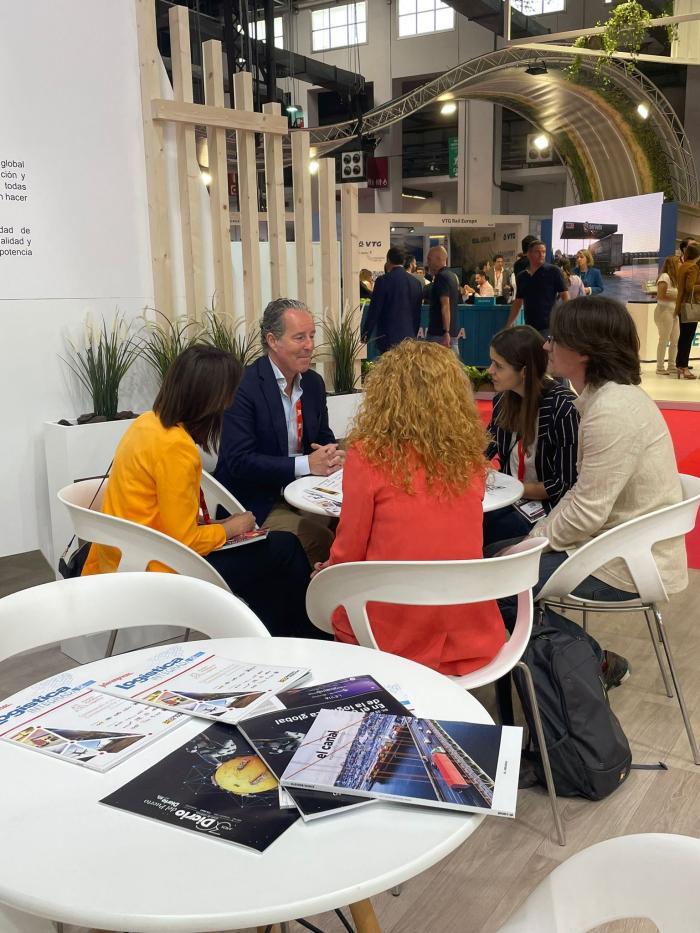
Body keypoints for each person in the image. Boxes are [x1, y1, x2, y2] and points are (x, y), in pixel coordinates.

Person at [498, 297, 688, 689]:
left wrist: (530, 543)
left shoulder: (611, 409)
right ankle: (577, 665)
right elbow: (582, 499)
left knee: (494, 585)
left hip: (626, 562)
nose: (547, 346)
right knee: (493, 563)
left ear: (583, 351)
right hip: (608, 545)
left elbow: (586, 511)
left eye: (555, 338)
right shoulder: (604, 400)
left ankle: (590, 664)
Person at [82, 345, 320, 639]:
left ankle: (273, 638)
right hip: (163, 567)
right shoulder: (177, 448)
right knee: (285, 549)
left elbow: (169, 521)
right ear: (212, 399)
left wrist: (222, 527)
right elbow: (187, 542)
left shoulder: (146, 424)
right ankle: (309, 639)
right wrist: (233, 526)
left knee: (268, 565)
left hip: (128, 555)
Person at [314, 340, 505, 675]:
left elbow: (349, 551)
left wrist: (326, 571)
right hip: (469, 635)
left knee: (326, 593)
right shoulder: (469, 459)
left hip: (388, 638)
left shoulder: (367, 455)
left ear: (384, 395)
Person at [214, 298, 343, 566]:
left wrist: (331, 453)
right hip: (256, 502)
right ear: (273, 341)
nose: (309, 345)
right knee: (320, 539)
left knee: (351, 523)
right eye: (299, 337)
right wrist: (306, 463)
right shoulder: (242, 386)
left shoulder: (313, 383)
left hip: (305, 492)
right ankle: (312, 604)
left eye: (311, 336)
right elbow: (239, 461)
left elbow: (322, 437)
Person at [483, 326, 579, 548]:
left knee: (489, 531)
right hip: (508, 498)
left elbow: (563, 486)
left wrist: (512, 489)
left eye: (499, 365)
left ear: (524, 371)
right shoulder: (502, 402)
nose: (490, 371)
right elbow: (485, 448)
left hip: (550, 508)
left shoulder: (563, 407)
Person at [361, 246, 423, 353]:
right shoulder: (416, 283)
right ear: (404, 261)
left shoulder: (382, 281)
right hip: (409, 339)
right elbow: (417, 314)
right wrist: (413, 336)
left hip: (387, 339)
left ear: (388, 260)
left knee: (389, 369)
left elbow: (374, 311)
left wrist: (365, 335)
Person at [507, 240, 569, 336]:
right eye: (537, 252)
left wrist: (566, 321)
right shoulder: (522, 276)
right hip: (530, 327)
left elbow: (566, 297)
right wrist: (509, 324)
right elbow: (518, 302)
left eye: (544, 252)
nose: (541, 254)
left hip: (549, 326)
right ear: (529, 254)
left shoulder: (553, 271)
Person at [425, 245, 461, 355]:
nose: (428, 263)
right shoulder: (453, 276)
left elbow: (445, 305)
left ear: (439, 259)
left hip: (439, 335)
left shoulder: (442, 277)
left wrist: (446, 332)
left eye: (429, 259)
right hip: (450, 333)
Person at [674, 243, 700, 380]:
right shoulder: (693, 267)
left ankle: (680, 365)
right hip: (690, 306)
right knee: (687, 338)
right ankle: (683, 366)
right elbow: (690, 288)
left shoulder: (683, 265)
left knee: (684, 337)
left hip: (682, 305)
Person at [654, 255, 680, 376]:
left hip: (674, 311)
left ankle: (671, 365)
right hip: (664, 311)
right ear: (672, 264)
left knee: (675, 339)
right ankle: (660, 367)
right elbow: (660, 295)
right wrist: (677, 297)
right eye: (678, 262)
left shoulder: (676, 279)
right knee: (663, 339)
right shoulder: (665, 277)